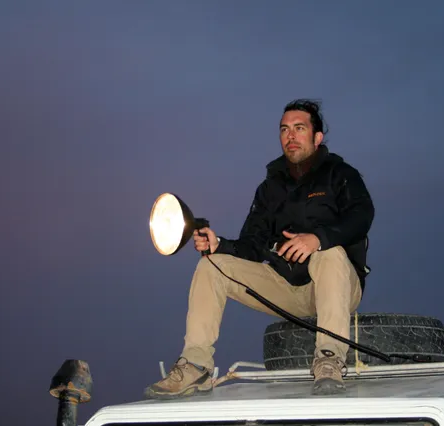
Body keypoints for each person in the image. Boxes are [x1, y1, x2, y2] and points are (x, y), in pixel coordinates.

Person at [144, 98, 375, 399]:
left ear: (317, 137)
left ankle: (329, 360)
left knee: (328, 254)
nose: (290, 136)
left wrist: (317, 239)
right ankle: (195, 366)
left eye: (299, 128)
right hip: (288, 289)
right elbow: (251, 245)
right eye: (284, 129)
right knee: (212, 265)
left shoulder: (341, 174)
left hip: (337, 287)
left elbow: (362, 215)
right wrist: (219, 245)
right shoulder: (269, 188)